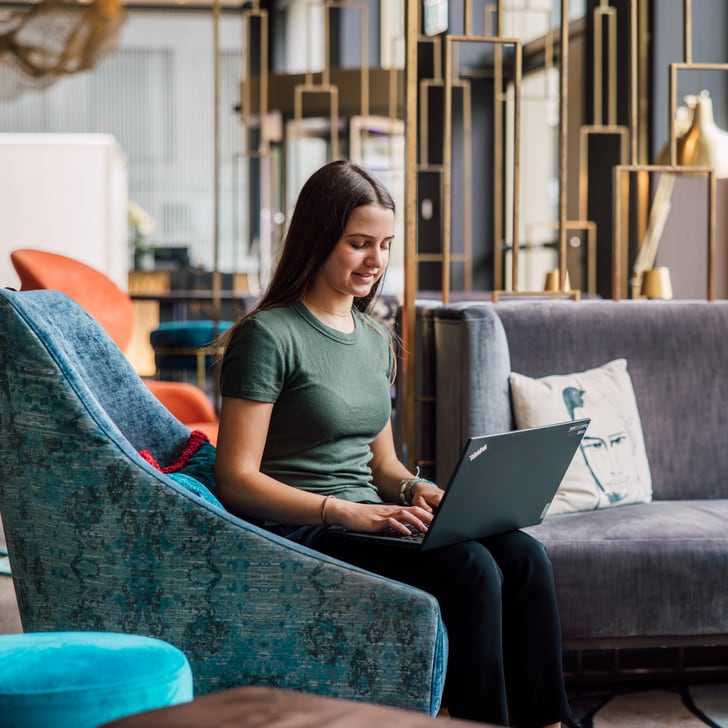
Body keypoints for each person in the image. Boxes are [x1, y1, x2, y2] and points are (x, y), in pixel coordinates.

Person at [215, 159, 572, 728]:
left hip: (372, 517)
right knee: (470, 567)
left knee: (523, 554)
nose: (376, 261)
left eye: (385, 244)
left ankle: (550, 723)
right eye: (359, 243)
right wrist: (348, 513)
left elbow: (381, 462)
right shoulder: (268, 336)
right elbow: (236, 480)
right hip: (304, 528)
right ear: (317, 239)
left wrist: (417, 489)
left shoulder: (376, 338)